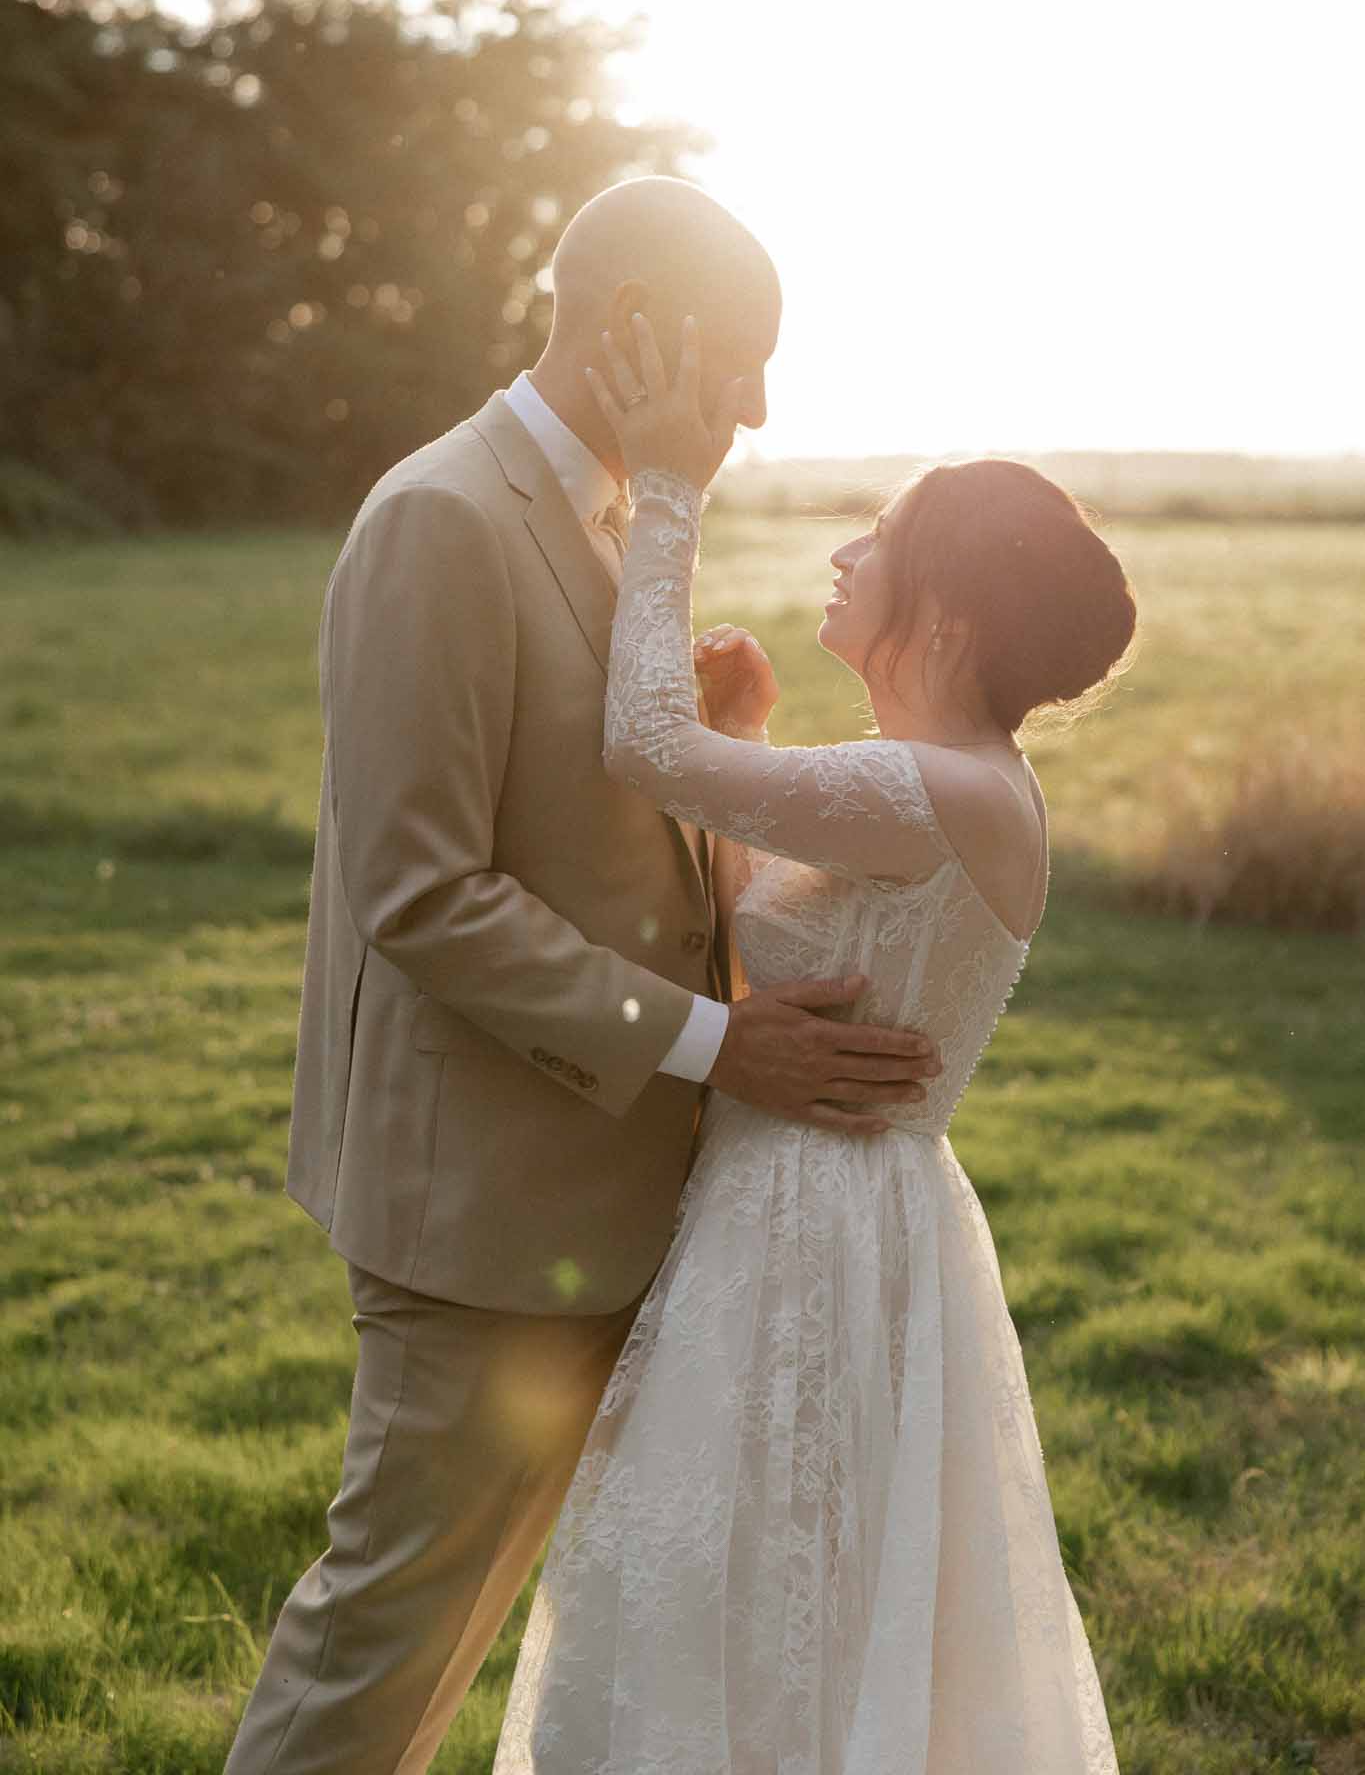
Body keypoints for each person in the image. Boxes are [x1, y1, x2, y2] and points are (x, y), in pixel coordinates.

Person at [223, 178, 943, 1775]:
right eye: (738, 360)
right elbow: (422, 891)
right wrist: (717, 1045)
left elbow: (581, 805)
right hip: (479, 1201)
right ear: (636, 328)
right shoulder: (442, 517)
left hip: (590, 1189)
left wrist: (718, 737)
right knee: (379, 1653)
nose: (757, 406)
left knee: (436, 1648)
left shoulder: (615, 512)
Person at [490, 314, 1136, 1772]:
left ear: (951, 615)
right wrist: (754, 738)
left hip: (817, 1229)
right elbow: (760, 927)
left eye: (878, 538)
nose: (844, 557)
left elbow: (640, 746)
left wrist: (670, 489)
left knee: (784, 1589)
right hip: (785, 1203)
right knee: (734, 1589)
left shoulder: (943, 788)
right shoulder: (922, 789)